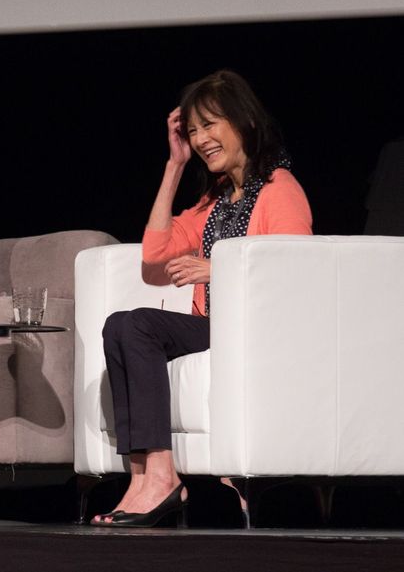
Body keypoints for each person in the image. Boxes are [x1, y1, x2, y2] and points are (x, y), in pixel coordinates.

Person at [91, 71, 312, 527]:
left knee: (138, 324)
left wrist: (218, 269)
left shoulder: (279, 190)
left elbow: (295, 275)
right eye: (193, 131)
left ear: (244, 122)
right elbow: (153, 259)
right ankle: (143, 476)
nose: (201, 139)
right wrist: (174, 166)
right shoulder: (215, 204)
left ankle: (162, 478)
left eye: (210, 125)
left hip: (254, 328)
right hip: (216, 327)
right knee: (119, 323)